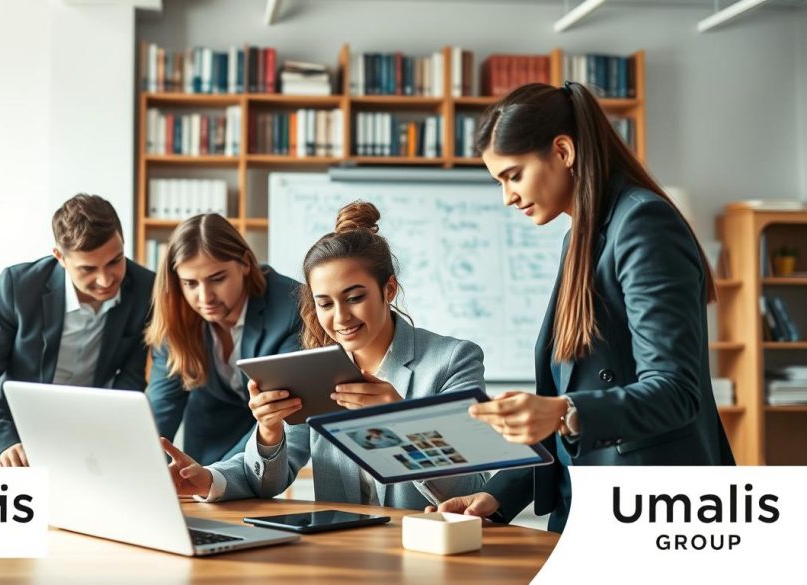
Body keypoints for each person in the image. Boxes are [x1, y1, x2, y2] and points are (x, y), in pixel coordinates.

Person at [431, 82, 735, 532]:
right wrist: (496, 496)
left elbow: (676, 391)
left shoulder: (642, 224)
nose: (507, 196)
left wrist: (563, 409)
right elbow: (573, 396)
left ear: (563, 150)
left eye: (513, 175)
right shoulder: (580, 236)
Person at [160, 201, 487, 509]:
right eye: (325, 303)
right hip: (341, 550)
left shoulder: (452, 361)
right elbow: (269, 479)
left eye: (355, 297)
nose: (341, 318)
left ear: (388, 289)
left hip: (423, 550)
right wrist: (266, 435)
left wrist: (402, 423)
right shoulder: (316, 368)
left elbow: (471, 487)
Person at [0, 194, 155, 467]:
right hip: (15, 440)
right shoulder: (17, 286)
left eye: (114, 261)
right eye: (88, 269)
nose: (106, 280)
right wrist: (4, 443)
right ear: (60, 257)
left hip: (90, 440)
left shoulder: (145, 289)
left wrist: (108, 433)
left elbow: (131, 379)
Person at [145, 213, 302, 465]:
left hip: (272, 432)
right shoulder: (176, 315)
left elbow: (283, 411)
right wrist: (138, 468)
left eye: (217, 279)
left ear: (246, 264)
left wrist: (217, 476)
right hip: (209, 431)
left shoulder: (292, 308)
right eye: (190, 283)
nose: (204, 297)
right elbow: (159, 411)